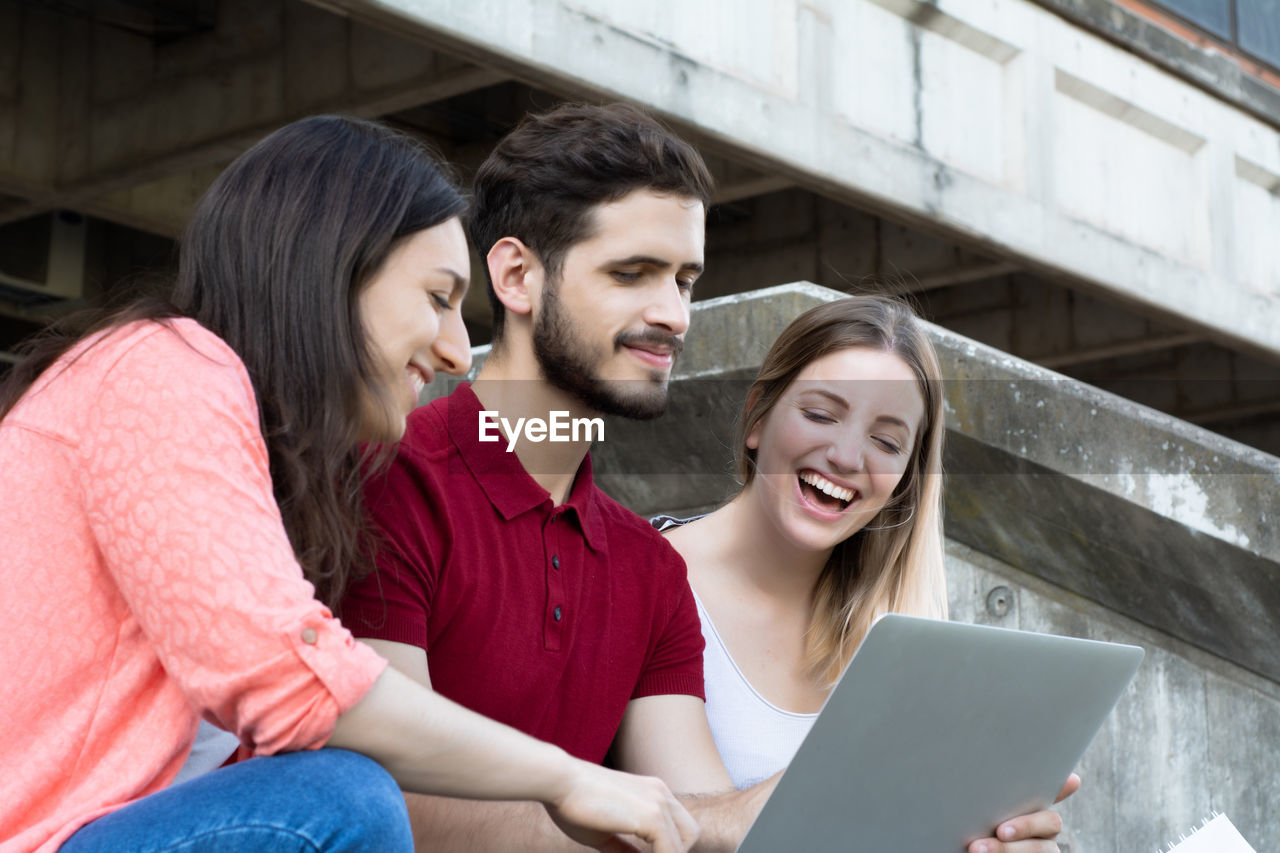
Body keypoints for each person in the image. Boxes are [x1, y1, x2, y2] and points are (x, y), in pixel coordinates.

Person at [0, 115, 697, 853]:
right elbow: (290, 679)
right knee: (341, 795)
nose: (459, 349)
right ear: (334, 264)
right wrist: (567, 777)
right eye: (437, 297)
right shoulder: (159, 370)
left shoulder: (261, 451)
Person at [338, 102, 770, 851]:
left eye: (686, 281)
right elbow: (382, 800)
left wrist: (918, 807)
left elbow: (698, 820)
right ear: (516, 275)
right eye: (632, 273)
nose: (673, 314)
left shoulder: (652, 570)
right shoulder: (385, 486)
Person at [657, 295, 1079, 852]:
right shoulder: (648, 576)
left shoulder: (905, 639)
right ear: (758, 416)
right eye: (821, 414)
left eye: (886, 442)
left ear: (905, 476)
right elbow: (688, 837)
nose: (848, 456)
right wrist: (864, 781)